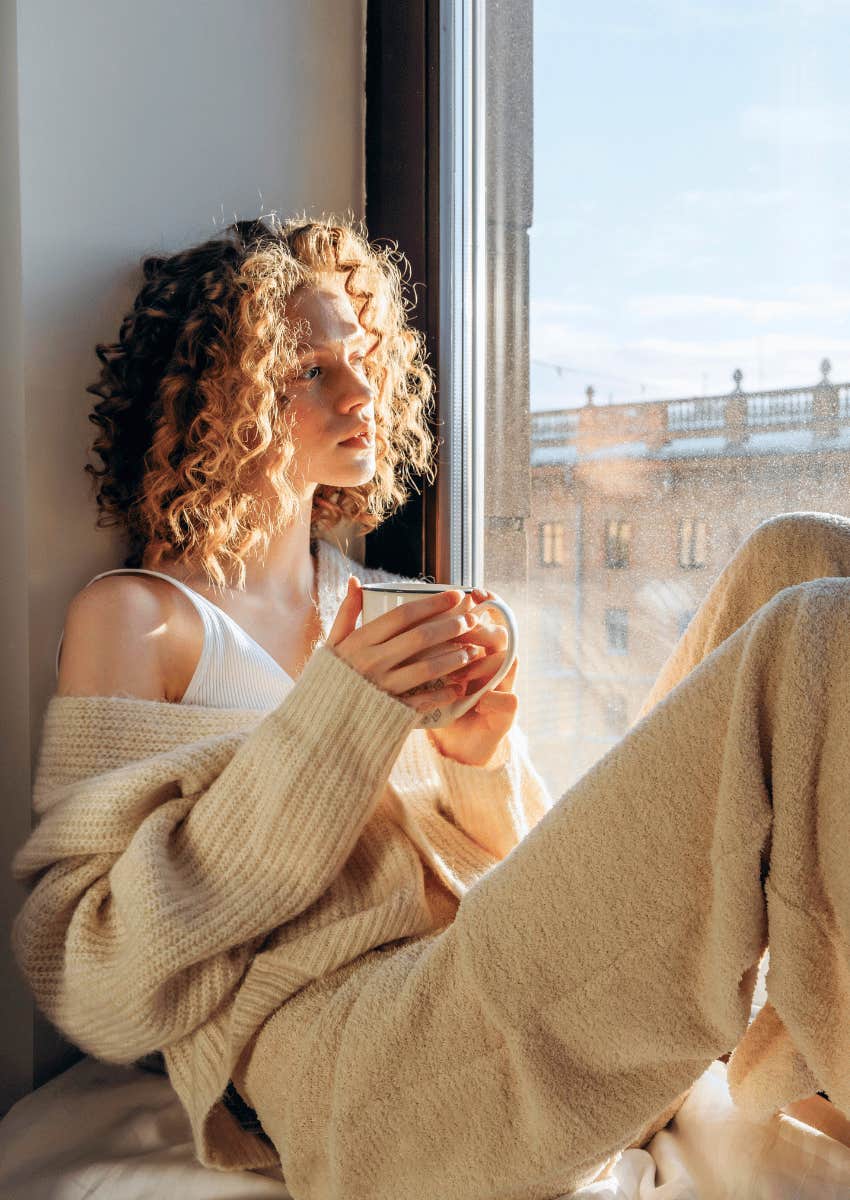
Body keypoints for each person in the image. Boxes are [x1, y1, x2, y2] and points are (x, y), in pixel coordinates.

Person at [10, 213, 850, 1200]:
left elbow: (508, 873)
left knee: (803, 552)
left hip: (479, 976)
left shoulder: (370, 603)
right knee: (816, 628)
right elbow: (94, 978)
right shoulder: (142, 617)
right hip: (359, 1062)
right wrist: (341, 718)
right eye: (312, 368)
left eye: (361, 358)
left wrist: (476, 757)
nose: (361, 389)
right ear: (220, 395)